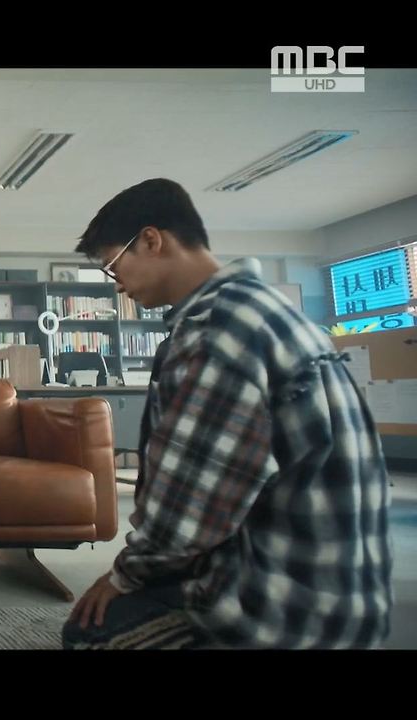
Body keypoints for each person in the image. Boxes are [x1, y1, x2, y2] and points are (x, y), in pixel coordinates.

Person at [63, 178, 391, 649]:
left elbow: (188, 508)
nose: (117, 285)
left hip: (282, 615)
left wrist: (123, 576)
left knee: (88, 631)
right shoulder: (264, 308)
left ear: (152, 240)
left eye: (114, 266)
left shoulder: (217, 332)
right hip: (342, 599)